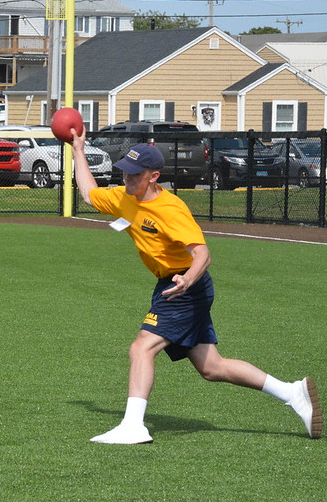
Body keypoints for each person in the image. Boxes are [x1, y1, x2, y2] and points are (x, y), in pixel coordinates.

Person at [70, 128, 321, 444]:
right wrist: (79, 150)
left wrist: (187, 279)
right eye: (125, 172)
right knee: (212, 367)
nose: (127, 178)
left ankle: (133, 425)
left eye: (134, 174)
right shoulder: (124, 198)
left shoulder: (171, 209)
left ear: (153, 176)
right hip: (175, 285)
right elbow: (89, 193)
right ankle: (291, 392)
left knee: (141, 347)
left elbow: (202, 253)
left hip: (184, 287)